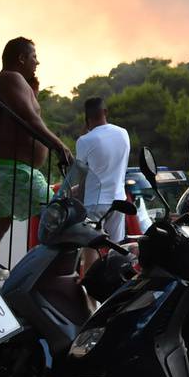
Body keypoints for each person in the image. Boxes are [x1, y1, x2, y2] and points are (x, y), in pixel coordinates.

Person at [0, 37, 71, 261]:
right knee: (61, 217)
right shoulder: (11, 78)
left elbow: (14, 120)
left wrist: (32, 94)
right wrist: (60, 146)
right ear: (21, 58)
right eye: (34, 57)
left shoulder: (0, 83)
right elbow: (30, 121)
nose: (38, 62)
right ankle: (46, 283)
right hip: (14, 171)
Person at [72, 96, 131, 266]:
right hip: (118, 201)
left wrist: (76, 195)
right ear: (105, 112)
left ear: (86, 117)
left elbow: (83, 175)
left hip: (95, 203)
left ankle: (91, 291)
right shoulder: (123, 133)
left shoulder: (84, 140)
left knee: (91, 249)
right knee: (117, 249)